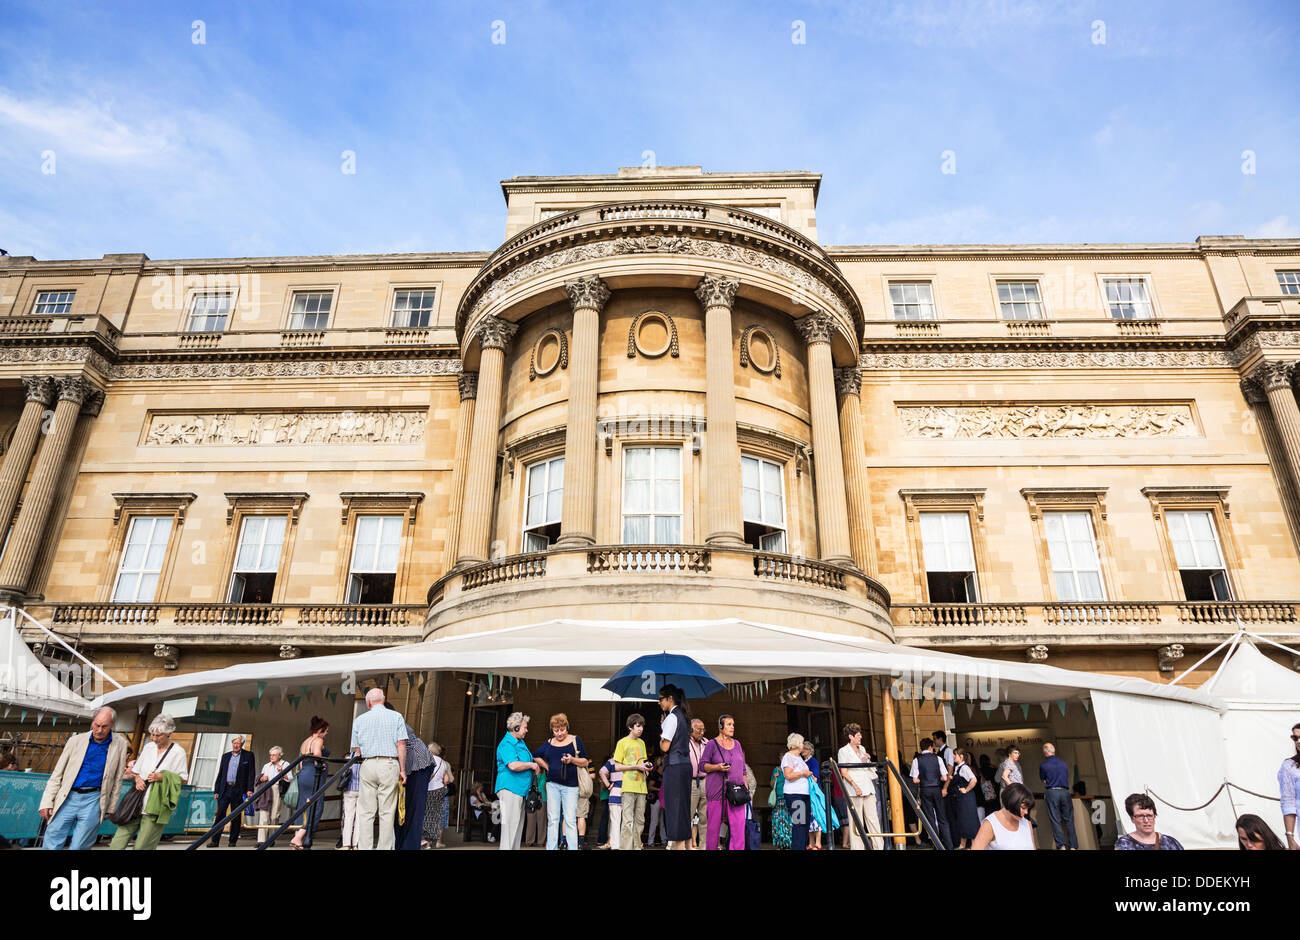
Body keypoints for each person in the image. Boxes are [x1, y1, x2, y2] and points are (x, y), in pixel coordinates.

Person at [40, 706, 128, 850]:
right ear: (92, 722)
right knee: (53, 839)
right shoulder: (75, 740)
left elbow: (118, 778)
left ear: (112, 725)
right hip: (67, 796)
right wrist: (46, 801)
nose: (99, 730)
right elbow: (57, 773)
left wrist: (111, 806)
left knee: (80, 845)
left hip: (94, 798)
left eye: (104, 727)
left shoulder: (120, 744)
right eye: (96, 725)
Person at [109, 714, 188, 851]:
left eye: (159, 735)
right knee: (118, 842)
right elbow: (137, 771)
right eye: (152, 734)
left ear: (169, 733)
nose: (154, 738)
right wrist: (138, 779)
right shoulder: (149, 747)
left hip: (156, 804)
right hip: (137, 800)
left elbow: (183, 779)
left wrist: (162, 777)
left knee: (143, 846)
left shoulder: (178, 752)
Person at [349, 688, 408, 851]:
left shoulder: (360, 720)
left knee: (366, 811)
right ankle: (384, 847)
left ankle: (364, 848)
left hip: (367, 764)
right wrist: (402, 769)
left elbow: (357, 750)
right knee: (387, 812)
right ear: (384, 699)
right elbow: (401, 744)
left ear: (368, 703)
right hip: (389, 763)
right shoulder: (396, 717)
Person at [532, 712, 588, 851]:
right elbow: (536, 755)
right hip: (552, 785)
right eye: (556, 731)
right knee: (553, 819)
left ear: (567, 727)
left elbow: (585, 761)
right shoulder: (549, 743)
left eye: (562, 730)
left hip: (571, 786)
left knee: (569, 820)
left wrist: (572, 760)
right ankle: (551, 848)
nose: (559, 734)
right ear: (552, 730)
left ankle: (573, 848)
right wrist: (547, 767)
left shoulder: (576, 740)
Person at [387, 704, 433, 851]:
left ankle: (409, 846)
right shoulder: (390, 721)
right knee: (402, 808)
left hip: (418, 765)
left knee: (413, 808)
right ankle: (401, 844)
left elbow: (401, 745)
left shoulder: (395, 721)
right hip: (409, 766)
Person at [700, 714, 747, 850]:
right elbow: (703, 765)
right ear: (720, 727)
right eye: (729, 724)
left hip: (737, 792)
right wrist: (717, 767)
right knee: (713, 829)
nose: (732, 727)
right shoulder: (711, 744)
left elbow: (743, 769)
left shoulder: (737, 744)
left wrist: (746, 789)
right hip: (716, 791)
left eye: (733, 724)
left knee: (738, 829)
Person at [494, 711, 539, 850]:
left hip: (520, 790)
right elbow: (513, 765)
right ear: (516, 728)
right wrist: (531, 765)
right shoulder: (507, 743)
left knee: (517, 827)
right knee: (509, 827)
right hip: (509, 788)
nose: (527, 730)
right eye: (525, 727)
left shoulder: (520, 743)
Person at [656, 684, 693, 850]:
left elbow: (664, 746)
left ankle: (679, 847)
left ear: (670, 699)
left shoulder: (672, 717)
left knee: (674, 807)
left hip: (675, 766)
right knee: (683, 807)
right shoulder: (684, 716)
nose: (659, 703)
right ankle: (684, 845)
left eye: (660, 699)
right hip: (685, 766)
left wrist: (662, 731)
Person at [837, 722, 883, 850]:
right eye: (858, 735)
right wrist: (855, 786)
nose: (860, 737)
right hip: (854, 789)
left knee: (873, 820)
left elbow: (865, 766)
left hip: (868, 787)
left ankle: (879, 847)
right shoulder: (843, 751)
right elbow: (844, 772)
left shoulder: (862, 749)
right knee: (856, 822)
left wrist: (866, 759)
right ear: (850, 736)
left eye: (860, 734)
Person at [613, 713, 653, 850]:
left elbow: (642, 762)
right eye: (637, 726)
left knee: (640, 820)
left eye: (642, 726)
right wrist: (636, 767)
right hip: (628, 786)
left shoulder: (641, 743)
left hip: (641, 786)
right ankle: (626, 847)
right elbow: (617, 766)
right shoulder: (622, 742)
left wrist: (646, 767)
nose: (640, 729)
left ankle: (637, 846)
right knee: (627, 821)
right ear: (630, 727)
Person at [289, 716, 329, 849]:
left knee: (302, 806)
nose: (327, 733)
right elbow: (317, 753)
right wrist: (321, 763)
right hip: (313, 774)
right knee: (316, 806)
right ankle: (299, 837)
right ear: (320, 730)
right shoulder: (318, 740)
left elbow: (300, 762)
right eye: (326, 731)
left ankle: (297, 836)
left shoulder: (305, 741)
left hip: (304, 774)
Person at [212, 734, 256, 847]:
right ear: (232, 744)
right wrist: (216, 790)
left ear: (242, 744)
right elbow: (221, 773)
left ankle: (232, 841)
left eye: (238, 743)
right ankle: (214, 840)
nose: (236, 745)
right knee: (220, 814)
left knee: (235, 816)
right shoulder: (226, 756)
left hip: (238, 790)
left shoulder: (248, 756)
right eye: (234, 743)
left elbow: (251, 773)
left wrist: (250, 789)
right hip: (225, 789)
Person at [910, 736, 952, 850]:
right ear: (930, 747)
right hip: (937, 789)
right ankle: (949, 845)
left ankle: (936, 845)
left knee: (930, 819)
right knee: (942, 818)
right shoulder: (937, 758)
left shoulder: (916, 760)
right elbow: (944, 777)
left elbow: (914, 780)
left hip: (925, 790)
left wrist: (923, 779)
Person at [973, 782, 1035, 850]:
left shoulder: (1027, 824)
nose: (1026, 812)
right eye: (1023, 808)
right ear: (1012, 802)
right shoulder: (990, 824)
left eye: (1027, 808)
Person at [1039, 742, 1077, 850]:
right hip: (1065, 792)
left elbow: (1043, 779)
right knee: (1069, 820)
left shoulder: (1044, 765)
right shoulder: (1063, 763)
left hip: (1052, 792)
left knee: (1055, 820)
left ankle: (1061, 846)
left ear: (1046, 752)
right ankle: (1073, 846)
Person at [781, 732, 815, 851]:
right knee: (799, 823)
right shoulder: (788, 756)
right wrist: (803, 773)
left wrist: (810, 777)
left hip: (804, 795)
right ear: (796, 744)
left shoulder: (799, 758)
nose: (803, 745)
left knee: (804, 824)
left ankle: (802, 847)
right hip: (795, 795)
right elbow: (788, 775)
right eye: (801, 742)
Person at [1114, 793, 1183, 850]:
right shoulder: (1124, 844)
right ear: (1132, 819)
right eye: (1140, 816)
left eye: (1149, 815)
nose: (1146, 820)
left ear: (1154, 816)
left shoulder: (1170, 842)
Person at [254, 745, 292, 847]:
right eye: (270, 755)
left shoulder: (285, 764)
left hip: (277, 789)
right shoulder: (266, 766)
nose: (271, 757)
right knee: (263, 815)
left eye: (274, 755)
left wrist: (282, 773)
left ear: (280, 755)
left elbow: (290, 779)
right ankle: (261, 841)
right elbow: (261, 777)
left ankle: (271, 838)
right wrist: (262, 779)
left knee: (274, 816)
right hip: (266, 790)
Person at [422, 741, 453, 849]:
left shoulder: (428, 760)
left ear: (430, 751)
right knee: (434, 817)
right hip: (440, 791)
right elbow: (447, 780)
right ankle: (431, 842)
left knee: (425, 815)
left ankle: (425, 841)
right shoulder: (443, 763)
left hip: (429, 790)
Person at [950, 748, 981, 849]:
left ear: (961, 756)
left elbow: (974, 780)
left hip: (966, 799)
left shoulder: (964, 768)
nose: (954, 757)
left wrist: (966, 790)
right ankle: (962, 845)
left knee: (970, 821)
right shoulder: (958, 768)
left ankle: (974, 845)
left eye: (955, 755)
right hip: (961, 800)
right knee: (963, 821)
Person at [799, 738, 824, 849]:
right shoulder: (802, 762)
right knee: (809, 817)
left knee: (816, 816)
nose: (802, 750)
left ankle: (818, 842)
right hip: (805, 792)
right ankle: (811, 843)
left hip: (813, 792)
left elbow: (815, 778)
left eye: (805, 749)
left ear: (810, 751)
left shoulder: (813, 762)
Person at [688, 718, 708, 849]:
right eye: (698, 729)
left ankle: (703, 846)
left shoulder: (707, 742)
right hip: (690, 781)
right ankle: (686, 845)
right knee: (688, 816)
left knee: (704, 817)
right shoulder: (685, 742)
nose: (701, 732)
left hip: (705, 781)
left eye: (703, 729)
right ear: (691, 730)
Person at [1280, 722, 1300, 851]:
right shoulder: (1289, 766)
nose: (1298, 741)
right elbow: (1288, 803)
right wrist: (1290, 838)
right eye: (1295, 738)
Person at [598, 757, 622, 849]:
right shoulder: (630, 761)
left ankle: (615, 845)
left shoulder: (611, 762)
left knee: (614, 822)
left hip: (615, 794)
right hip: (627, 794)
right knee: (627, 822)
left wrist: (608, 785)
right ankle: (623, 845)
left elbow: (601, 772)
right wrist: (608, 785)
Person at [338, 758, 360, 849]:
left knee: (348, 817)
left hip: (349, 789)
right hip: (363, 789)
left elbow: (343, 774)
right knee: (359, 818)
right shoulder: (367, 758)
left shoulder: (350, 758)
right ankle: (356, 844)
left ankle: (346, 844)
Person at [769, 763, 792, 849]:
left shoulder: (791, 769)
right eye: (782, 758)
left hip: (788, 798)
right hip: (778, 799)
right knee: (778, 821)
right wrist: (775, 777)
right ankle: (780, 843)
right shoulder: (776, 770)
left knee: (788, 821)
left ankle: (788, 843)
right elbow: (771, 785)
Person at [523, 766, 546, 846]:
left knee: (541, 821)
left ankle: (541, 841)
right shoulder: (529, 772)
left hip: (541, 798)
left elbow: (543, 785)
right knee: (530, 820)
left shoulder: (544, 772)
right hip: (530, 798)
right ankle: (529, 841)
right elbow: (526, 784)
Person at [646, 757, 665, 846]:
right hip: (655, 800)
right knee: (654, 821)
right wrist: (659, 789)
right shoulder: (654, 774)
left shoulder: (664, 775)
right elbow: (649, 786)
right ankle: (650, 841)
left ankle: (664, 840)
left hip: (662, 800)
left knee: (662, 821)